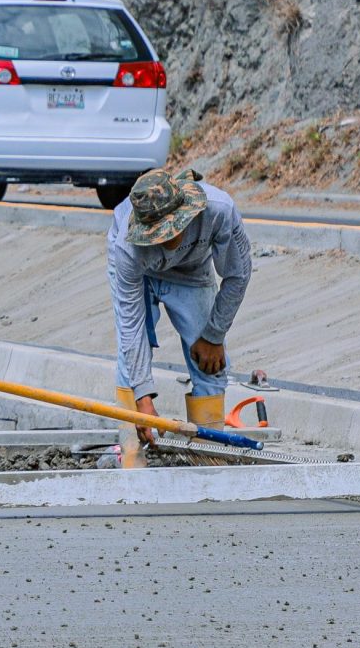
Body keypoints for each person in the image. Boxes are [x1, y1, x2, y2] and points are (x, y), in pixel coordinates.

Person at [108, 166, 253, 464]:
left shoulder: (219, 211)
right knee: (131, 361)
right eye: (156, 235)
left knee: (211, 364)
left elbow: (237, 275)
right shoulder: (127, 247)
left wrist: (214, 334)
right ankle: (132, 457)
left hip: (192, 274)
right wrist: (143, 399)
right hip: (141, 274)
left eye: (171, 230)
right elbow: (131, 324)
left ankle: (209, 458)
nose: (165, 240)